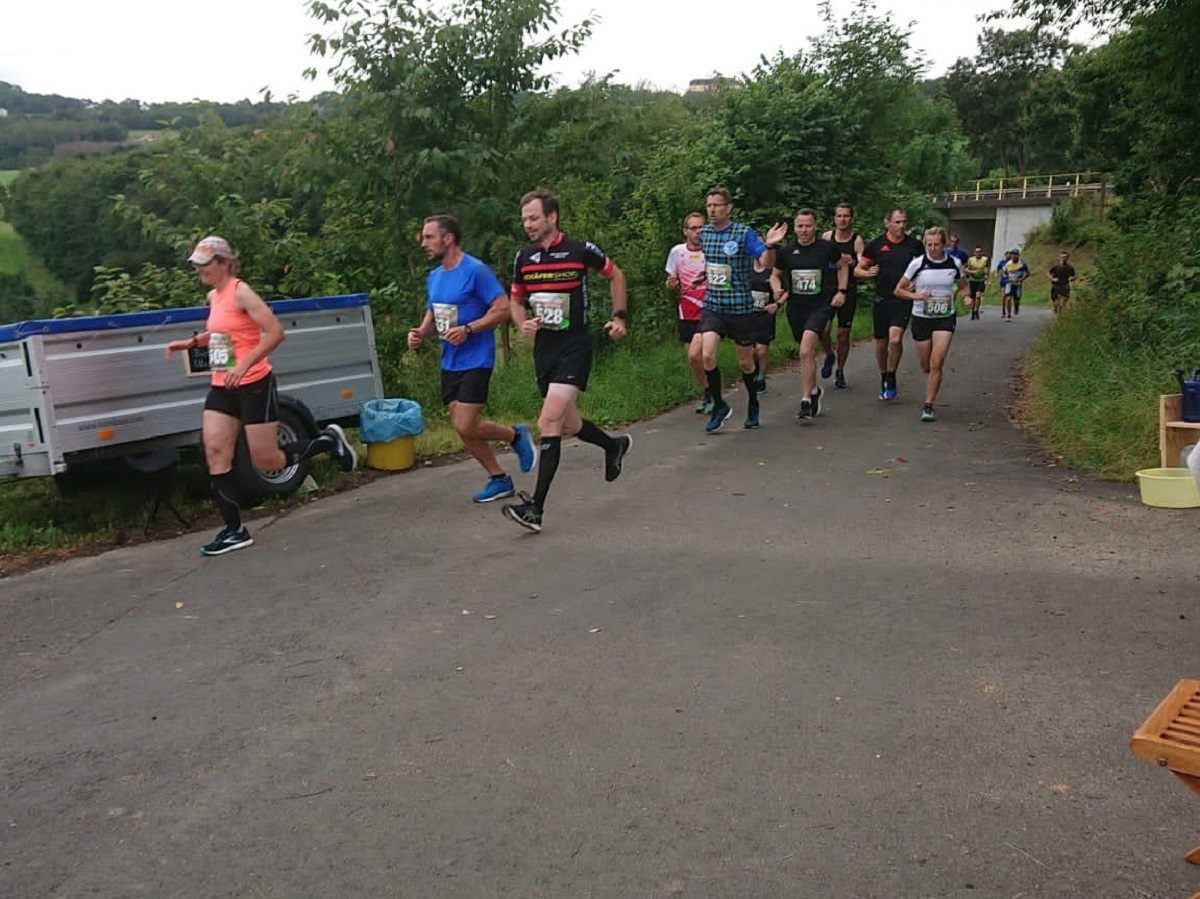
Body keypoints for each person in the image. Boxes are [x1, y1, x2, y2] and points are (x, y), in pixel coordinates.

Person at [164, 236, 357, 556]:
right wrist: (191, 342)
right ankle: (234, 530)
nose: (198, 269)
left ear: (224, 263)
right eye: (196, 264)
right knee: (214, 450)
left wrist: (245, 363)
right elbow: (223, 331)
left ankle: (327, 442)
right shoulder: (214, 295)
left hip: (254, 383)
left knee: (266, 460)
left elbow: (275, 332)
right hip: (222, 386)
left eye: (204, 264)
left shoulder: (241, 291)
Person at [502, 189, 633, 533]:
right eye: (524, 219)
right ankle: (613, 445)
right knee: (570, 426)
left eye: (533, 217)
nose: (527, 224)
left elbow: (616, 275)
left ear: (552, 217)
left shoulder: (579, 251)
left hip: (575, 345)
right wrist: (521, 322)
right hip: (544, 349)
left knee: (548, 422)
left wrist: (619, 317)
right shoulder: (524, 258)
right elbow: (515, 300)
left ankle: (536, 509)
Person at [407, 214, 537, 503]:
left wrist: (469, 329)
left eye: (429, 237)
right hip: (449, 360)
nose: (423, 243)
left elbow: (502, 308)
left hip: (477, 357)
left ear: (448, 238)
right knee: (461, 428)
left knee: (465, 424)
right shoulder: (435, 276)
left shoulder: (475, 270)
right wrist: (420, 332)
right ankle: (499, 479)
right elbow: (434, 313)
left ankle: (516, 436)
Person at [697, 187, 787, 431]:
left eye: (717, 205)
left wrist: (769, 246)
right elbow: (713, 265)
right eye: (709, 206)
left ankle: (753, 402)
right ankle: (718, 405)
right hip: (713, 306)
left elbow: (765, 264)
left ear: (729, 207)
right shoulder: (704, 233)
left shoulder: (743, 233)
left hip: (739, 309)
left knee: (746, 362)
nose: (712, 210)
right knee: (707, 355)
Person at [773, 207, 849, 421]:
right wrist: (776, 287)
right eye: (800, 226)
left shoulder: (827, 248)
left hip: (821, 305)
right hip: (796, 307)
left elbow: (844, 266)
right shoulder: (786, 251)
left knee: (806, 351)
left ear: (815, 227)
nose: (804, 230)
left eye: (808, 226)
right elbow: (775, 275)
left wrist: (841, 291)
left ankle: (806, 399)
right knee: (804, 350)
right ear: (795, 228)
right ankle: (814, 391)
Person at [895, 226, 968, 422]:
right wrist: (917, 295)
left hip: (945, 317)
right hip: (921, 318)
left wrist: (967, 297)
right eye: (929, 245)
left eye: (937, 244)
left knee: (937, 363)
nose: (933, 248)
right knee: (926, 365)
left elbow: (963, 286)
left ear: (944, 244)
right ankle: (930, 375)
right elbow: (899, 290)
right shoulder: (917, 263)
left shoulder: (955, 263)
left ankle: (928, 405)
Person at [855, 208, 924, 401]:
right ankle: (883, 375)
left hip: (902, 299)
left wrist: (915, 283)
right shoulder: (876, 245)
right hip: (881, 299)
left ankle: (892, 375)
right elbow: (858, 269)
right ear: (887, 223)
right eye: (897, 222)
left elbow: (923, 269)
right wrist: (867, 273)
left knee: (895, 340)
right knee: (881, 343)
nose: (902, 226)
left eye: (904, 222)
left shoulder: (914, 245)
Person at [664, 212, 710, 412]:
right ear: (685, 231)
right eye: (694, 228)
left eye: (701, 227)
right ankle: (710, 392)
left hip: (709, 311)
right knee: (693, 360)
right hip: (686, 311)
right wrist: (670, 284)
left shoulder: (711, 250)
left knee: (696, 355)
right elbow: (671, 283)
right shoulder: (677, 252)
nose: (698, 232)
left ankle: (713, 394)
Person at [820, 203, 865, 389]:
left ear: (851, 218)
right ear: (834, 218)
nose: (842, 219)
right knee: (823, 329)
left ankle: (840, 370)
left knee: (843, 335)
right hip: (827, 289)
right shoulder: (826, 237)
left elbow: (863, 263)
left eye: (846, 216)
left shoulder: (856, 240)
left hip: (848, 290)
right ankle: (829, 354)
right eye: (839, 216)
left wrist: (855, 262)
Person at [750, 257, 779, 396]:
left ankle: (761, 377)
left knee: (762, 350)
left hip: (765, 315)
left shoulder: (772, 271)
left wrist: (777, 303)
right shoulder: (746, 268)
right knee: (751, 351)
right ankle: (753, 372)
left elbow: (785, 291)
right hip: (748, 315)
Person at [963, 244, 990, 320]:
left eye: (979, 252)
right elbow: (965, 269)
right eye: (976, 252)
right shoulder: (971, 260)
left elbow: (987, 268)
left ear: (981, 253)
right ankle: (973, 311)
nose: (978, 253)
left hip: (981, 280)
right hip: (972, 280)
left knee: (978, 295)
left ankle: (976, 310)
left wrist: (987, 275)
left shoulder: (985, 259)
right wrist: (972, 271)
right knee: (973, 298)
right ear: (974, 253)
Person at [1002, 248, 1030, 320]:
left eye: (1015, 255)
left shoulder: (1022, 264)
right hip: (1009, 283)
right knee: (1008, 299)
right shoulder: (1008, 263)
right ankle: (1008, 315)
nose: (1014, 256)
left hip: (1018, 284)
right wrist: (1005, 276)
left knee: (1017, 300)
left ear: (1018, 255)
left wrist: (1022, 279)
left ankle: (1016, 306)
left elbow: (1028, 273)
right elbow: (1004, 272)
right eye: (1013, 255)